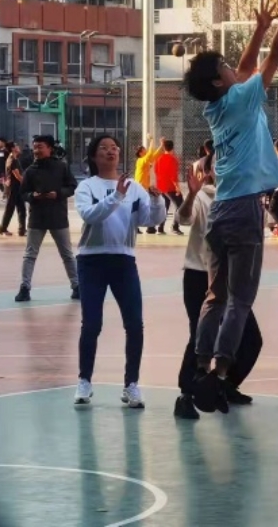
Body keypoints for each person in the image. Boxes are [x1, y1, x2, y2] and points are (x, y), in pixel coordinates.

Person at [183, 0, 278, 413]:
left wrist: (258, 28)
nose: (233, 68)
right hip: (241, 209)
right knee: (240, 299)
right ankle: (221, 372)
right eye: (224, 66)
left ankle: (201, 365)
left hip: (220, 211)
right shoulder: (240, 98)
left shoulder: (219, 106)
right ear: (220, 81)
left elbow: (243, 67)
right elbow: (270, 60)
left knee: (215, 296)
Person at [73, 134, 167, 408]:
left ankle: (131, 385)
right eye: (103, 148)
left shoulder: (134, 188)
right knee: (92, 324)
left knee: (134, 324)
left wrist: (157, 202)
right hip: (91, 261)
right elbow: (90, 215)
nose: (110, 151)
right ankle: (84, 380)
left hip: (124, 261)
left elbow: (148, 220)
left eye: (114, 147)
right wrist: (117, 195)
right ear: (94, 156)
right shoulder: (87, 186)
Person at [174, 154, 262, 420]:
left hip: (229, 278)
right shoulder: (203, 197)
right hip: (198, 276)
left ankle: (223, 385)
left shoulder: (243, 198)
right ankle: (186, 395)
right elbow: (184, 219)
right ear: (211, 171)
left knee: (251, 338)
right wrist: (191, 194)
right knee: (199, 336)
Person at [16, 135, 79, 302]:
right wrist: (32, 196)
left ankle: (77, 286)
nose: (36, 150)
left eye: (40, 147)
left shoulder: (61, 167)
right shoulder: (30, 171)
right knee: (30, 254)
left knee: (67, 254)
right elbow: (23, 193)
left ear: (50, 148)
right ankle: (24, 288)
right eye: (35, 147)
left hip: (58, 217)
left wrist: (58, 194)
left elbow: (72, 186)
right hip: (37, 218)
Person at [135, 134, 164, 234]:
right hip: (140, 188)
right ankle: (144, 227)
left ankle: (150, 227)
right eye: (144, 149)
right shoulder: (141, 160)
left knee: (147, 206)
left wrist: (161, 145)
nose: (146, 150)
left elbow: (154, 155)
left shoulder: (145, 160)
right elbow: (151, 154)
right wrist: (151, 140)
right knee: (143, 207)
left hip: (144, 188)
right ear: (140, 153)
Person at [153, 139, 184, 235]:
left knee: (165, 206)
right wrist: (177, 187)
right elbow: (173, 175)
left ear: (164, 148)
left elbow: (156, 171)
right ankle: (175, 226)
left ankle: (160, 227)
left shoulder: (159, 158)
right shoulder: (173, 159)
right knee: (180, 205)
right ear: (172, 148)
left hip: (161, 186)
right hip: (170, 187)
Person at [0, 141, 26, 237]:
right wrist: (26, 183)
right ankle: (2, 229)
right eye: (17, 146)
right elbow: (17, 175)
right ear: (13, 148)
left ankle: (22, 230)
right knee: (10, 209)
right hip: (12, 188)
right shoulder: (12, 160)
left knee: (22, 209)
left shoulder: (15, 158)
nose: (19, 147)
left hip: (17, 187)